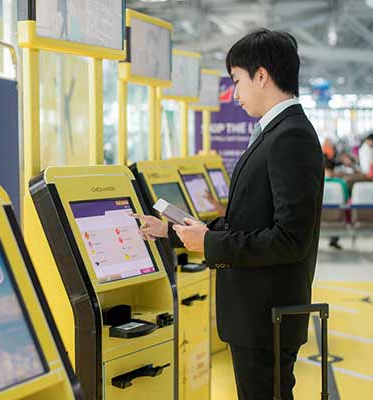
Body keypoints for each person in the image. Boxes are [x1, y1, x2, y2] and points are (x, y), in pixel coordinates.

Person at [134, 28, 324, 400]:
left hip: (266, 315)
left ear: (262, 76)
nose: (235, 94)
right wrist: (174, 232)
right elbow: (252, 221)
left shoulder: (291, 137)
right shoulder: (276, 133)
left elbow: (290, 240)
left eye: (237, 81)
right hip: (257, 316)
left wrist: (212, 243)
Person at [324, 157, 350, 250]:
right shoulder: (341, 183)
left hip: (320, 216)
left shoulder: (318, 183)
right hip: (337, 216)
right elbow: (346, 200)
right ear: (333, 169)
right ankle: (334, 240)